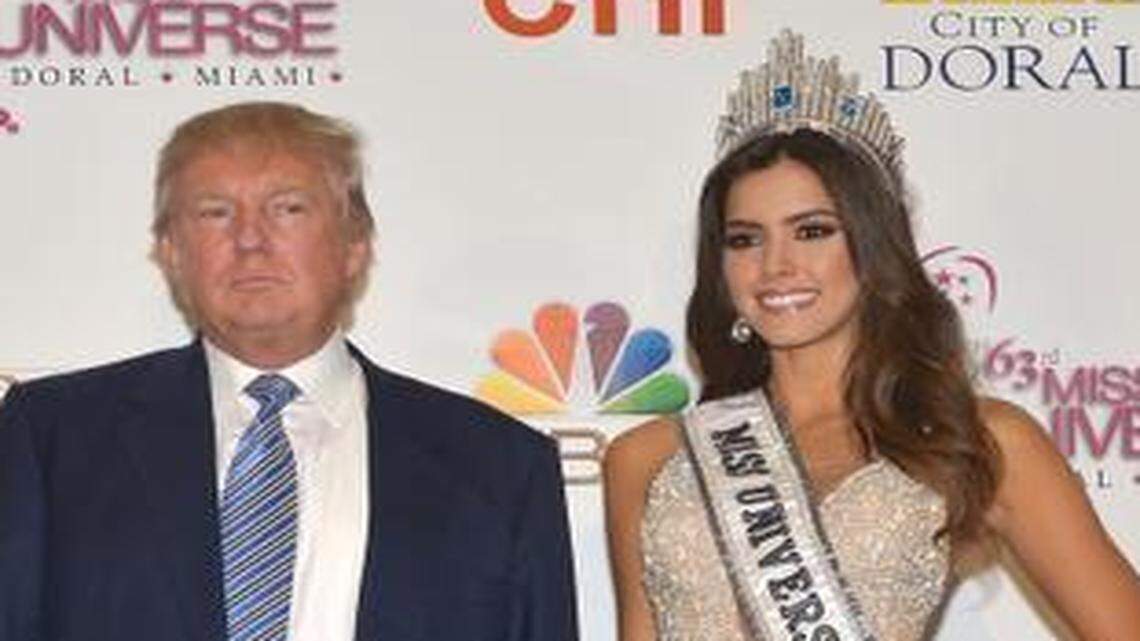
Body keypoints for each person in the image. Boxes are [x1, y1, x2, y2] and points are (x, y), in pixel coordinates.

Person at [604, 30, 1140, 641]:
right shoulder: (646, 457)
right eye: (745, 239)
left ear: (871, 245)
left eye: (812, 231)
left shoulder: (984, 441)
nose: (776, 266)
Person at [0, 102, 578, 641]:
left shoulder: (499, 468)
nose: (250, 240)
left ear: (355, 245)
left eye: (288, 209)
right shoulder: (54, 439)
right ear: (171, 250)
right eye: (214, 212)